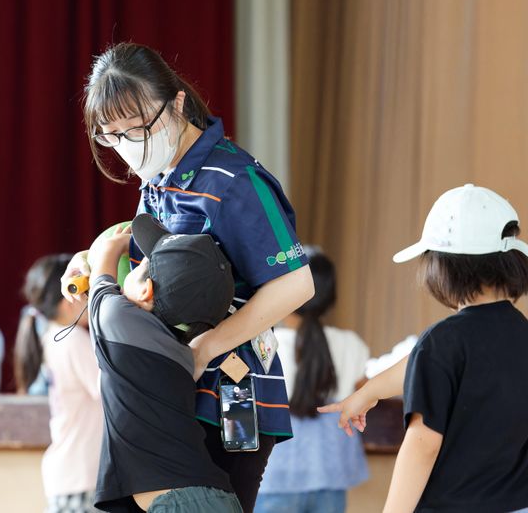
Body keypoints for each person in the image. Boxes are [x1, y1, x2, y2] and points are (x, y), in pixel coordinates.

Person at [65, 42, 314, 511]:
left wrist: (205, 348)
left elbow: (296, 284)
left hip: (229, 392)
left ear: (177, 102)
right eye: (112, 135)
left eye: (138, 127)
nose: (128, 145)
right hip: (173, 385)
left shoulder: (234, 180)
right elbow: (152, 261)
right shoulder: (159, 178)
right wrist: (90, 260)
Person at [321, 184, 528, 512]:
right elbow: (428, 364)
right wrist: (370, 391)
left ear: (442, 268)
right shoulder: (517, 335)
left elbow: (422, 446)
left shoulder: (443, 342)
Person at [87, 215, 241, 512]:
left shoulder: (119, 320)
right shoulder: (182, 355)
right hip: (212, 497)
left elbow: (101, 272)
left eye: (141, 265)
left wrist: (116, 245)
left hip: (181, 501)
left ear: (146, 291)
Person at [255, 247, 368, 513]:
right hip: (331, 474)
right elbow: (363, 397)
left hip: (275, 476)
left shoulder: (265, 345)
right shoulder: (351, 344)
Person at [13, 254, 103, 513]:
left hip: (71, 473)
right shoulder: (72, 340)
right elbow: (110, 392)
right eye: (87, 290)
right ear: (69, 296)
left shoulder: (55, 338)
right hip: (82, 475)